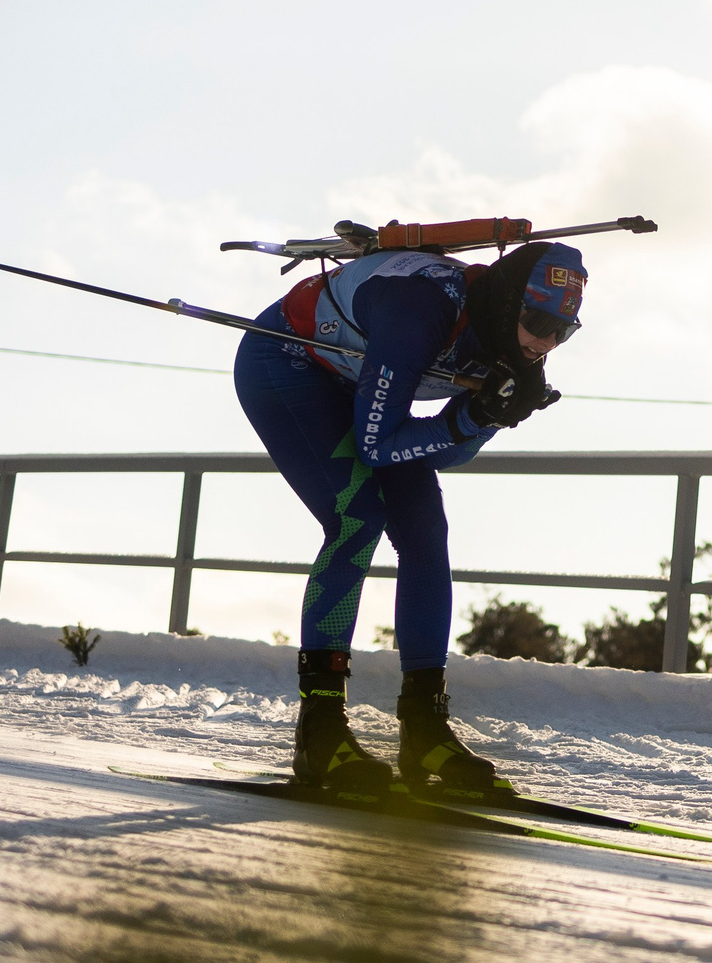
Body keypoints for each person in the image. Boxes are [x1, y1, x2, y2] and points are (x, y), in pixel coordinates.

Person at [233, 230, 584, 797]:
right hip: (287, 362)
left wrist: (484, 417)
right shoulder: (418, 310)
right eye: (541, 325)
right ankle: (318, 729)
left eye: (562, 332)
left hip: (359, 381)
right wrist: (467, 419)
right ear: (508, 302)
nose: (545, 344)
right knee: (357, 515)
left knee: (425, 532)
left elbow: (445, 454)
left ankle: (424, 727)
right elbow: (379, 446)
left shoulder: (507, 336)